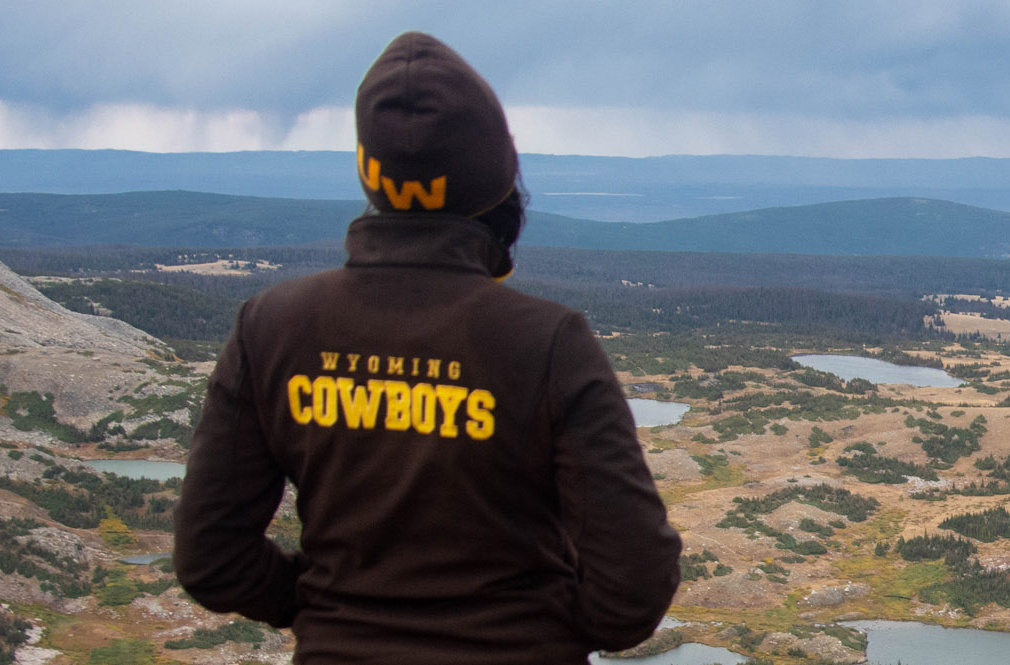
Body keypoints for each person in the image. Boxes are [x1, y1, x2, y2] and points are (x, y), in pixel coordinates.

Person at [173, 32, 681, 664]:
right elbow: (632, 584)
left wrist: (325, 611)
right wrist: (537, 632)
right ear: (497, 177)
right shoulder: (548, 342)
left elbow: (210, 556)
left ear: (369, 171)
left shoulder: (271, 326)